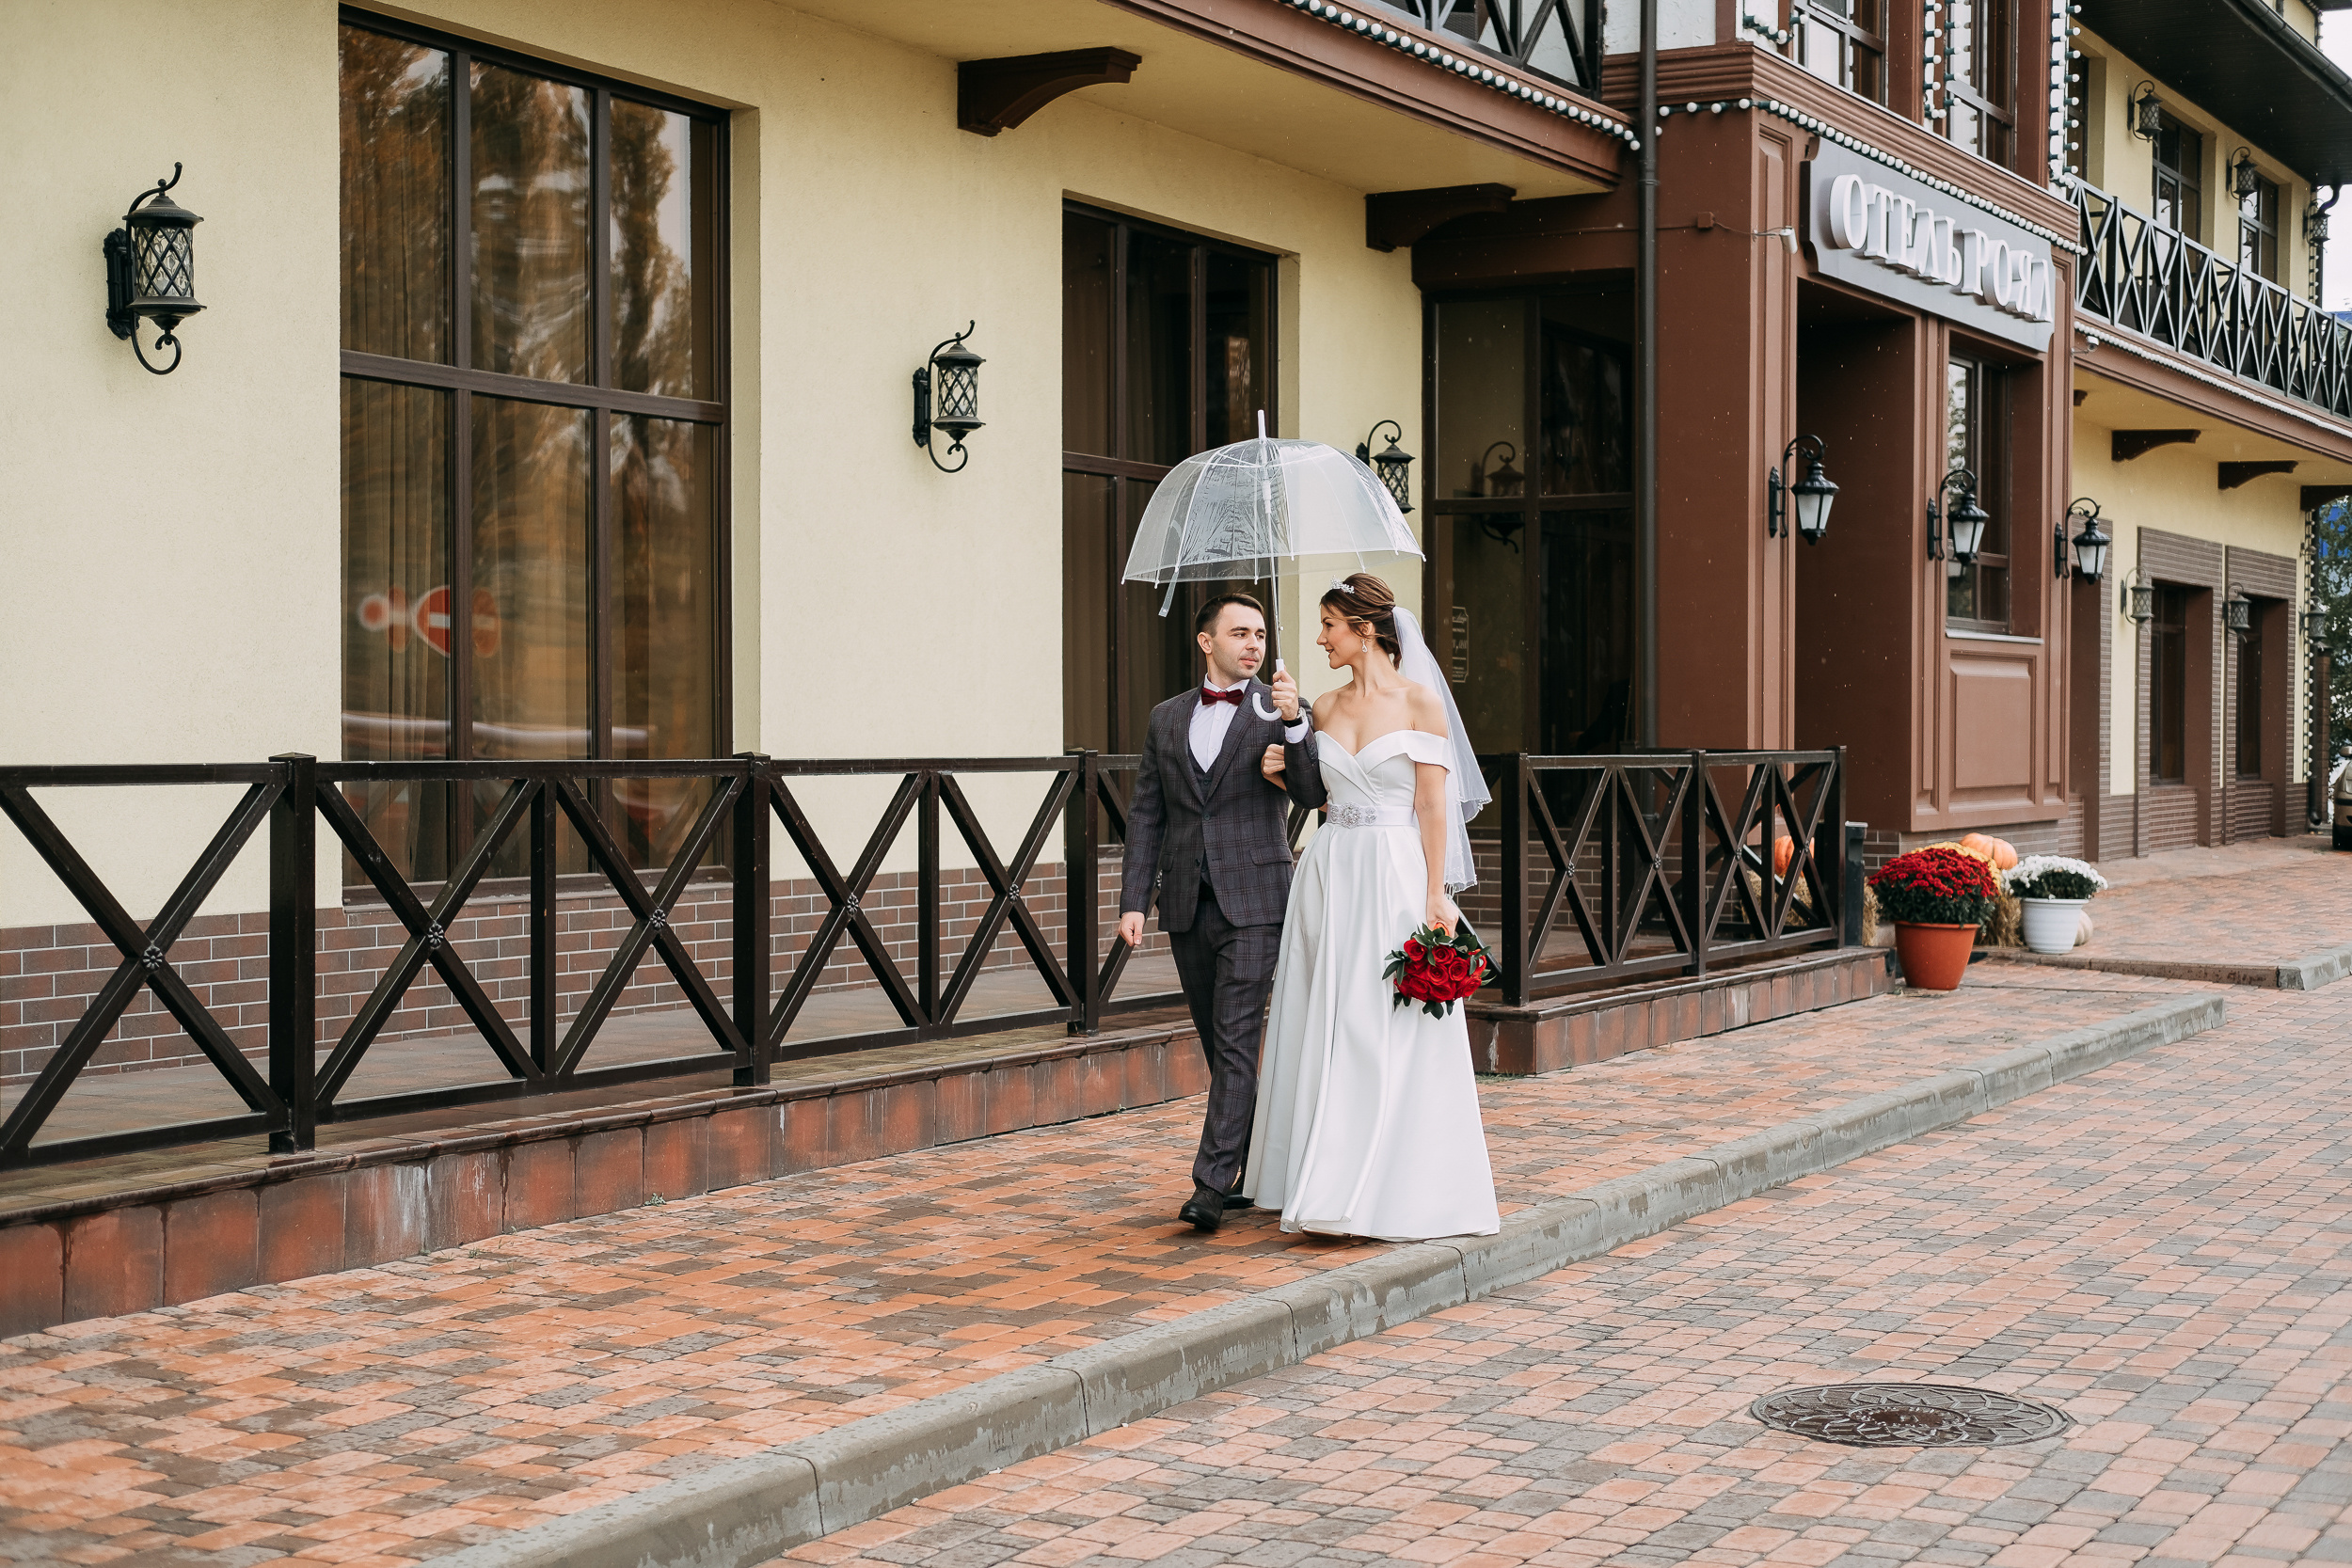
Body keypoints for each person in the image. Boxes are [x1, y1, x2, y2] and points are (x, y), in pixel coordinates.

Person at [1246, 573, 1500, 1242]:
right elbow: (1312, 787)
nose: (1320, 637)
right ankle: (1323, 1172)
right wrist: (1287, 749)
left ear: (1363, 629)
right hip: (1330, 869)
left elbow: (1431, 805)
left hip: (1392, 870)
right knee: (1328, 1017)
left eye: (1329, 624)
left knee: (1381, 1018)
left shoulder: (1421, 704)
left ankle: (1392, 1182)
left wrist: (1437, 891)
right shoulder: (1322, 707)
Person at [1118, 592, 1324, 1233]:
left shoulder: (1281, 709)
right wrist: (1132, 899)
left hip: (1257, 898)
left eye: (1260, 634)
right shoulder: (1165, 718)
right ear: (1206, 641)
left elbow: (1316, 795)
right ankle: (1256, 1158)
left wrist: (1295, 729)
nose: (1254, 644)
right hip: (1186, 901)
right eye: (1239, 633)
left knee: (1236, 1038)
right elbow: (1147, 813)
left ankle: (1210, 1184)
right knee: (1220, 1041)